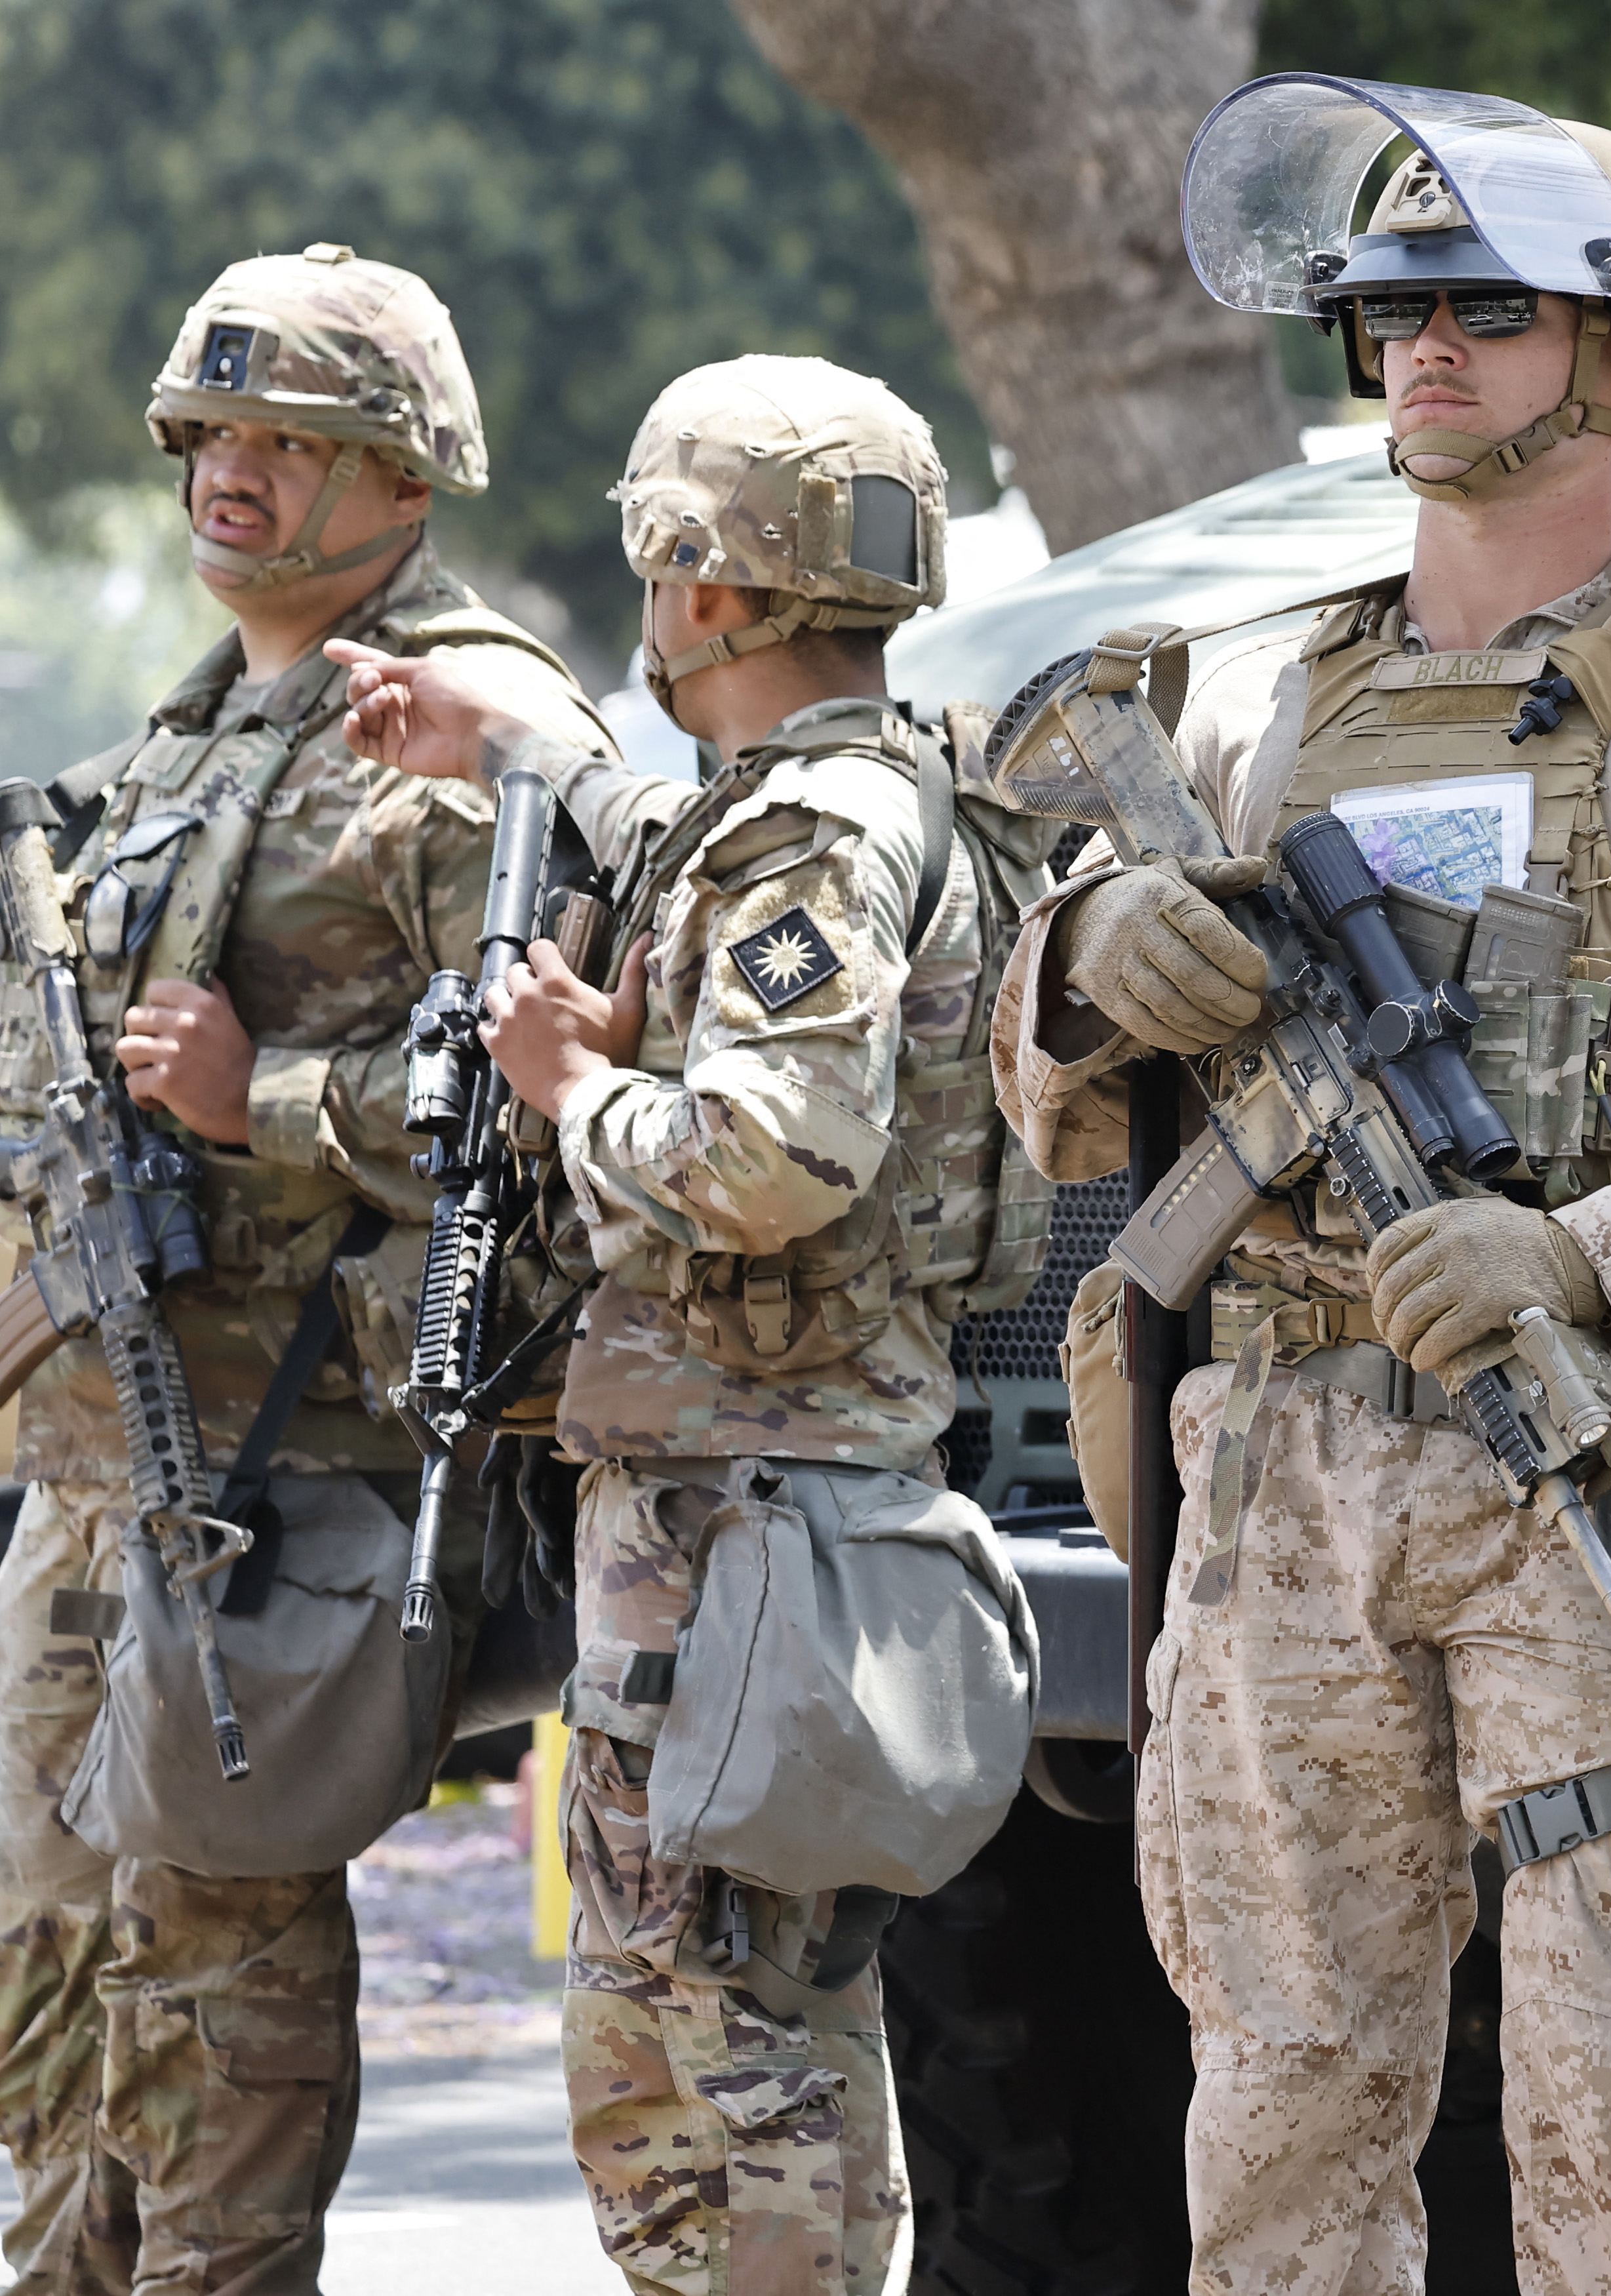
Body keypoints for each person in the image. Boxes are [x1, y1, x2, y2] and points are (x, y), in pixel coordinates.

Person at [991, 83, 1611, 2295]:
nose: (1424, 352)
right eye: (1392, 311)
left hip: (1599, 1475)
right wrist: (1077, 978)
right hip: (1275, 1486)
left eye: (1488, 311)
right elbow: (1042, 1112)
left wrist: (1596, 1256)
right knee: (1276, 2106)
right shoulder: (1250, 704)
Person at [333, 353, 1024, 2292]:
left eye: (660, 572)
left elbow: (771, 1161)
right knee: (699, 2051)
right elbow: (665, 830)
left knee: (727, 2061)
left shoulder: (811, 835)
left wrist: (570, 1090)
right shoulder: (811, 802)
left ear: (707, 589)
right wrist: (521, 747)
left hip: (755, 1527)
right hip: (741, 1518)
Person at [0, 245, 608, 2291]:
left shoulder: (457, 734)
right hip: (86, 1490)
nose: (231, 477)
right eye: (214, 435)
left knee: (216, 2053)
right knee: (55, 2041)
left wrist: (278, 1100)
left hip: (272, 1492)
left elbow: (549, 1129)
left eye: (293, 443)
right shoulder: (185, 743)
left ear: (403, 481)